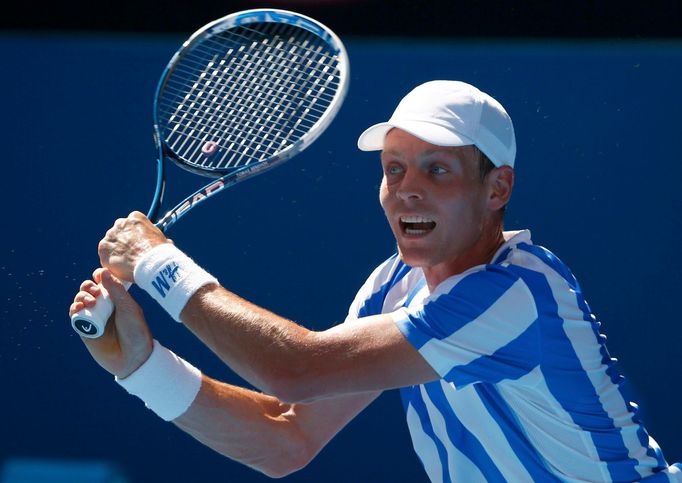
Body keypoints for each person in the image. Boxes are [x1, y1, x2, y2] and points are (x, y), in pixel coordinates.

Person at [69, 80, 681, 482]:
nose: (407, 187)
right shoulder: (393, 287)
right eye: (394, 169)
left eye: (437, 169)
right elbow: (287, 437)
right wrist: (141, 366)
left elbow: (296, 369)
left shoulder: (518, 292)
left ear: (497, 189)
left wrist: (158, 263)